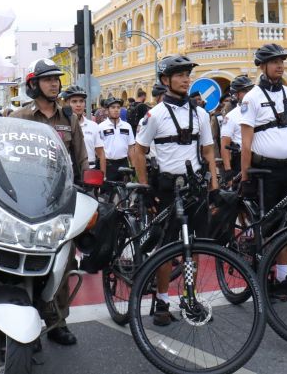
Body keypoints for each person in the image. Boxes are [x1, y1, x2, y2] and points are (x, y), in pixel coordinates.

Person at [131, 54, 218, 325]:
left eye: (187, 74)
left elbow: (207, 151)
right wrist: (144, 186)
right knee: (167, 247)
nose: (185, 79)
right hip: (167, 187)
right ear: (165, 80)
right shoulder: (154, 114)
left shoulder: (201, 113)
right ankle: (162, 300)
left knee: (194, 245)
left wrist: (214, 186)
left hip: (194, 188)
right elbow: (138, 151)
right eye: (179, 75)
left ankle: (189, 297)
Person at [10, 59, 87, 346]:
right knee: (22, 260)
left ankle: (57, 321)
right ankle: (25, 320)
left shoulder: (69, 118)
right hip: (25, 200)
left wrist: (89, 185)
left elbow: (81, 158)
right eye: (47, 79)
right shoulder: (20, 116)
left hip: (61, 201)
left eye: (56, 79)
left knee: (62, 264)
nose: (54, 83)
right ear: (34, 85)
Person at [239, 44, 287, 299]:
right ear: (262, 66)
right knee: (266, 227)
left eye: (281, 61)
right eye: (274, 61)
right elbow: (246, 142)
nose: (279, 65)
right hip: (264, 171)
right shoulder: (251, 97)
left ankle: (282, 277)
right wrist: (245, 176)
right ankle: (262, 277)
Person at [61, 85, 106, 173]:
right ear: (66, 103)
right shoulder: (60, 125)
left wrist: (103, 176)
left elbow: (101, 153)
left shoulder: (93, 126)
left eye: (81, 101)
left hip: (89, 170)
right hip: (67, 171)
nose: (78, 105)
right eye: (74, 101)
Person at [220, 75, 254, 184]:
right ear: (236, 95)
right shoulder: (231, 116)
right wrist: (228, 171)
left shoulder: (259, 111)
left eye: (251, 90)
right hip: (240, 159)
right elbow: (225, 145)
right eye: (245, 91)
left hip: (260, 158)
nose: (249, 93)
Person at [98, 97, 135, 182]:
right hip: (108, 165)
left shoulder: (127, 126)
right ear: (107, 110)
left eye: (118, 107)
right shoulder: (101, 127)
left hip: (124, 164)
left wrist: (133, 167)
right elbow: (98, 151)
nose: (116, 110)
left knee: (125, 192)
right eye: (113, 107)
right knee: (108, 193)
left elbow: (131, 149)